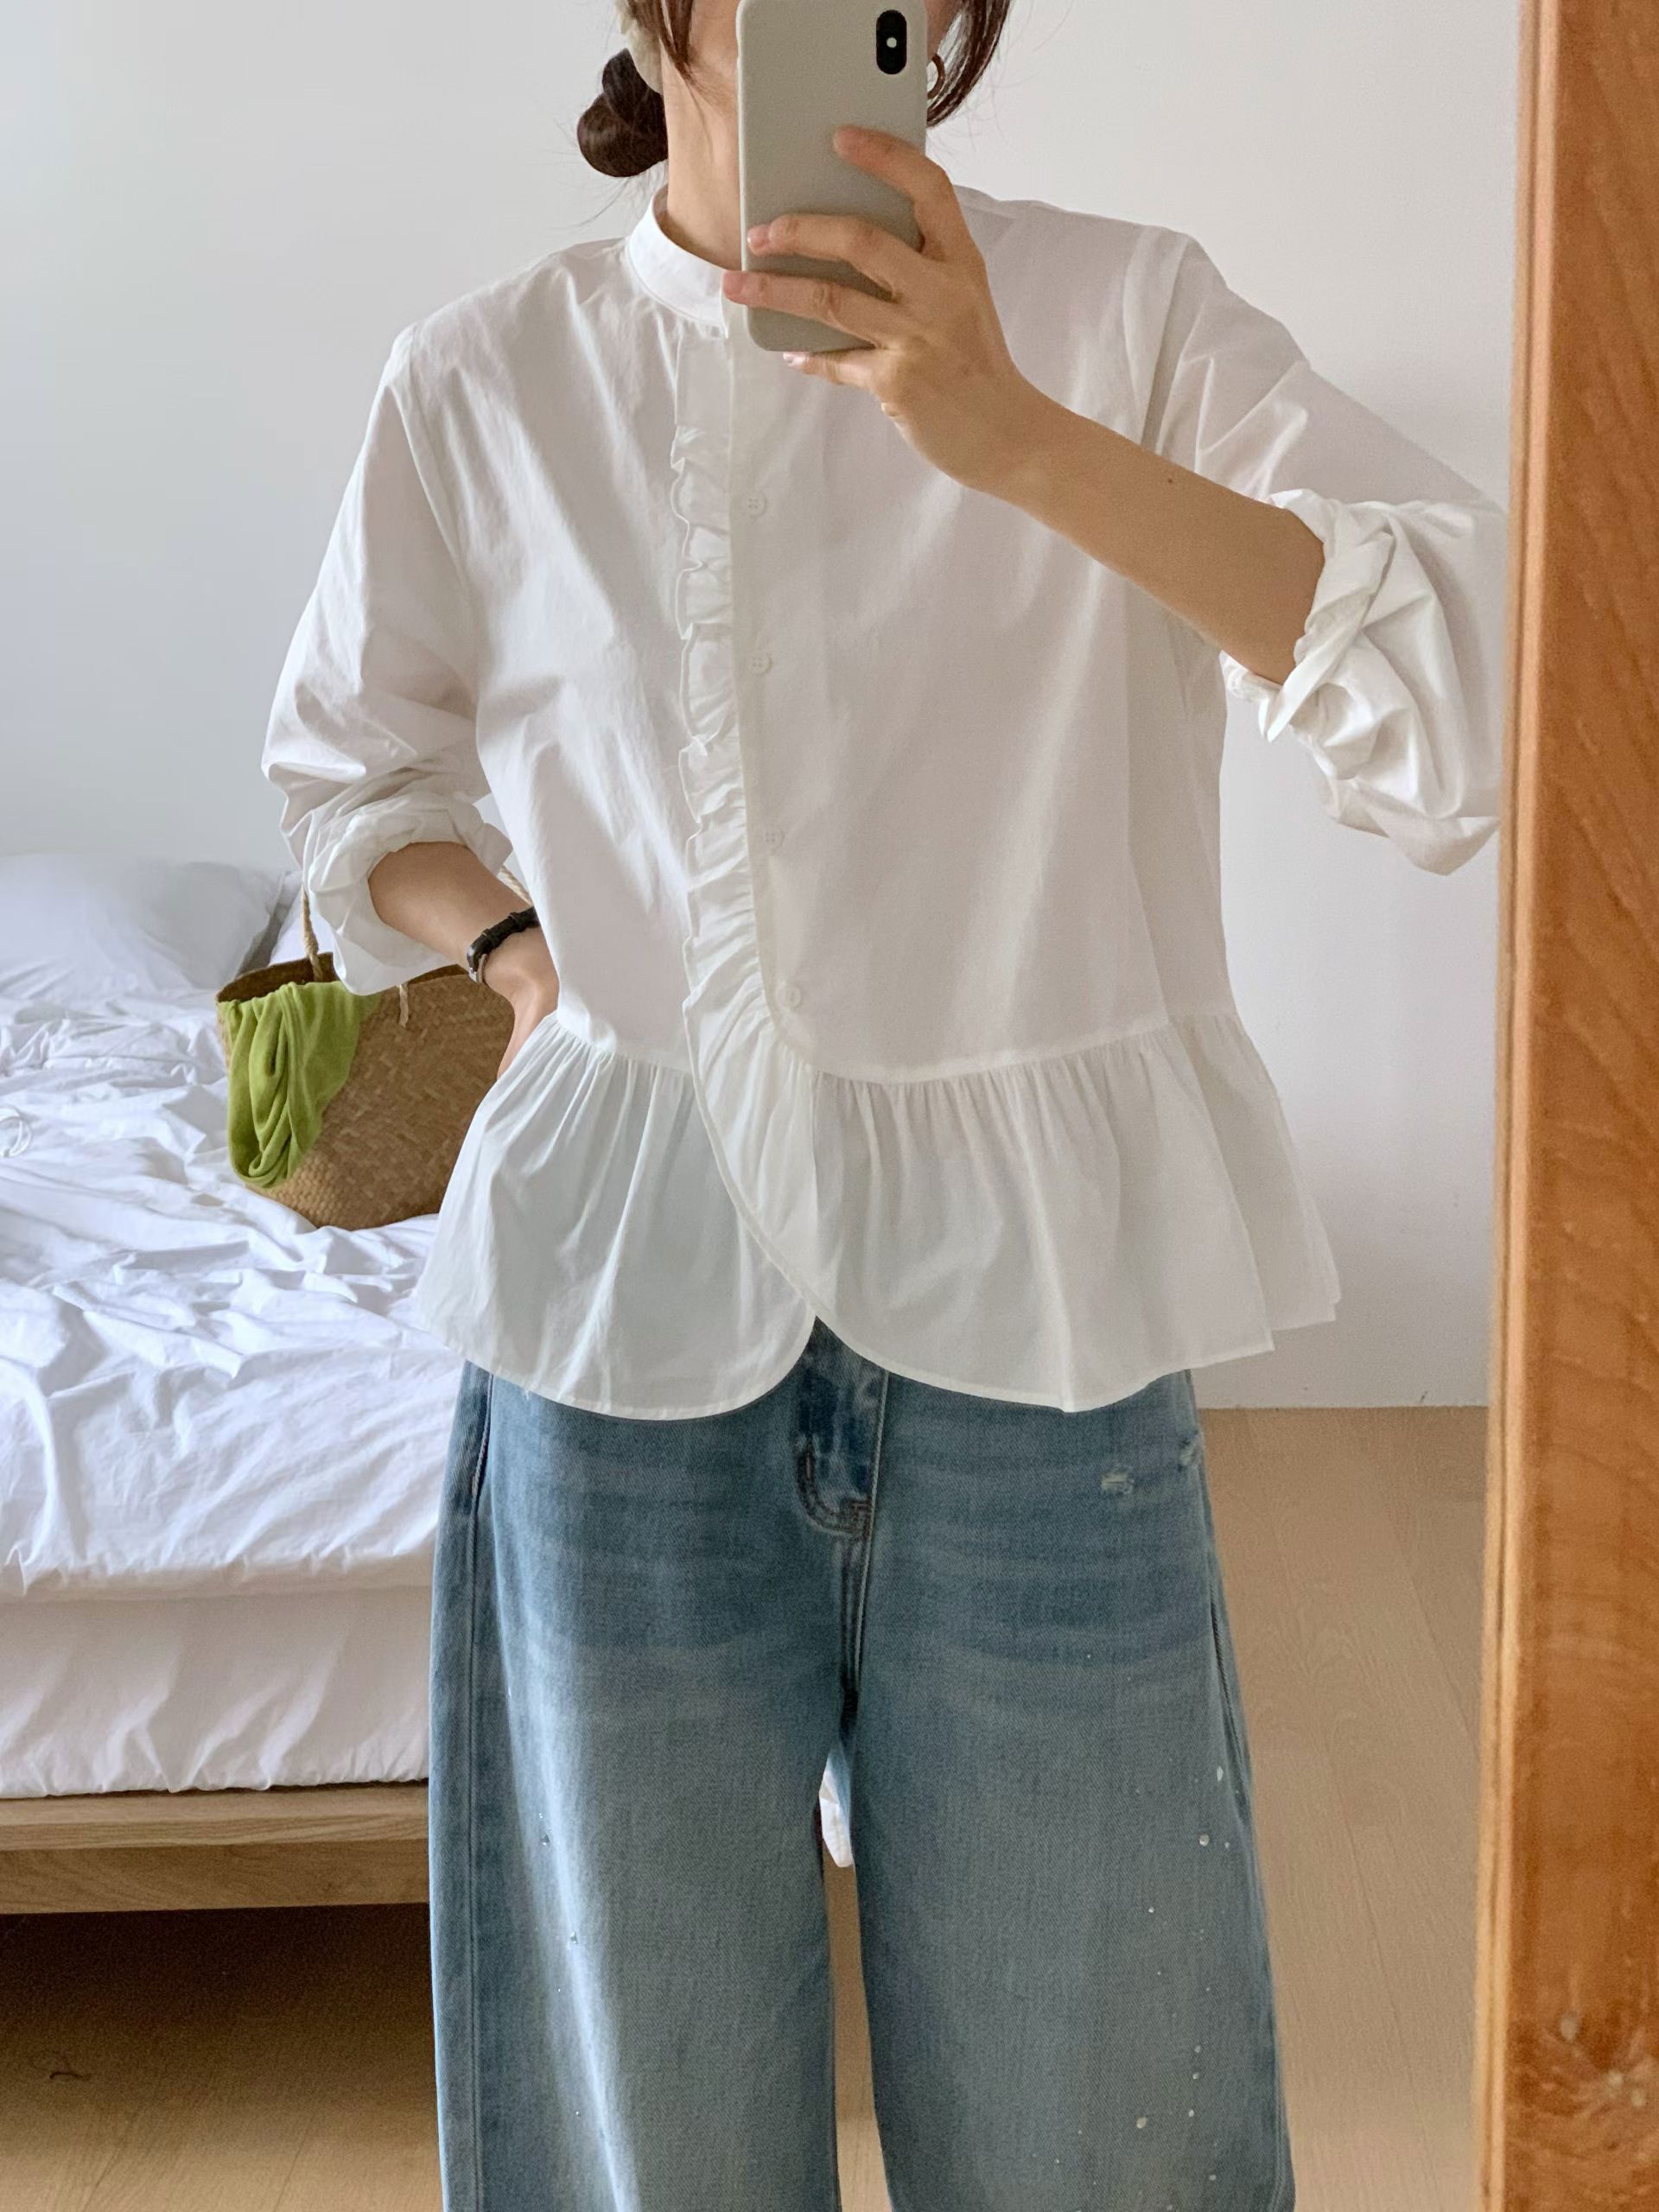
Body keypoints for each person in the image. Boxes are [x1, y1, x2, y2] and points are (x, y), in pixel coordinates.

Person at [261, 3, 1506, 2205]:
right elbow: (357, 778)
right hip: (620, 1334)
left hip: (1043, 1341)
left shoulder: (1126, 314)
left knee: (1099, 2124)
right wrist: (525, 955)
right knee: (641, 2131)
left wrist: (1009, 430)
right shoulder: (486, 375)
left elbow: (1461, 721)